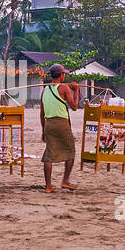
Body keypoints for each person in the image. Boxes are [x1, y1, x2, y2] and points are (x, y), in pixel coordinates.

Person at [39, 63, 79, 193]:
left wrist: (43, 130)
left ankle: (48, 186)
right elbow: (74, 107)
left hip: (49, 124)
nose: (64, 76)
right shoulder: (64, 88)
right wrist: (76, 91)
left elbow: (42, 113)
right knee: (70, 151)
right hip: (62, 124)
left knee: (49, 154)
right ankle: (65, 181)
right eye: (64, 74)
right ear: (61, 75)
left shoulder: (45, 90)